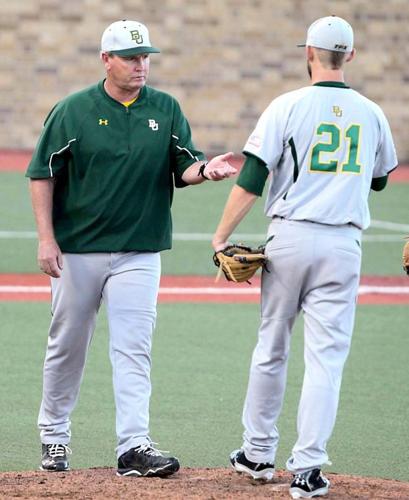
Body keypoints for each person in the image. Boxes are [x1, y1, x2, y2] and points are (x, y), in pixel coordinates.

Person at [26, 19, 236, 476]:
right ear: (107, 59)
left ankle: (134, 446)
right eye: (131, 57)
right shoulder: (73, 111)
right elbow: (42, 173)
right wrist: (47, 238)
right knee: (68, 346)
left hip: (139, 251)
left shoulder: (165, 107)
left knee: (133, 348)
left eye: (145, 57)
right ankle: (55, 437)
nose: (142, 65)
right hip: (78, 251)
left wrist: (207, 170)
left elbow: (184, 165)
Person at [212, 15, 397, 499]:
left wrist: (220, 236)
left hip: (289, 239)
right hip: (342, 246)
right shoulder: (372, 112)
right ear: (350, 56)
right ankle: (309, 468)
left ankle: (256, 453)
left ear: (308, 53)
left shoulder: (286, 105)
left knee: (271, 347)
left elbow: (252, 177)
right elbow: (379, 179)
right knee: (326, 361)